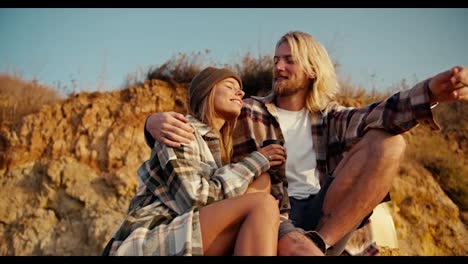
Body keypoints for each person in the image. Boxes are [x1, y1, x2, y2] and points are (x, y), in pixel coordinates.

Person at [144, 31, 468, 256]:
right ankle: (303, 245)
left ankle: (321, 243)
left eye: (289, 60)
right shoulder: (250, 110)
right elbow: (206, 115)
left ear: (312, 69)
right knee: (295, 244)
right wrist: (151, 122)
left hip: (327, 213)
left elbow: (378, 114)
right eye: (276, 60)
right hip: (275, 214)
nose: (278, 67)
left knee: (390, 144)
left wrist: (430, 93)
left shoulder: (329, 117)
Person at [102, 67, 287, 256]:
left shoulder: (219, 152)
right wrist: (256, 161)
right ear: (207, 91)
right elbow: (194, 200)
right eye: (230, 86)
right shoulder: (180, 130)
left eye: (240, 89)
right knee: (262, 204)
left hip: (189, 232)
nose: (240, 92)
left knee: (263, 184)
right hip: (150, 240)